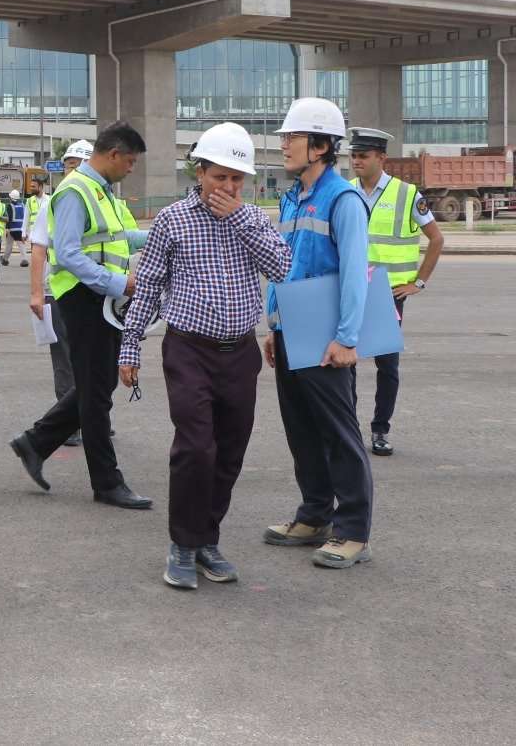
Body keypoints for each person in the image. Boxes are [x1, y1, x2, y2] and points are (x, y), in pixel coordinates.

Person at [117, 124, 292, 590]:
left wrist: (239, 217)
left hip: (240, 355)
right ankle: (182, 543)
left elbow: (282, 267)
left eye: (237, 179)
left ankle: (207, 539)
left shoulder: (252, 219)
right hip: (189, 350)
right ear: (200, 173)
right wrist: (130, 343)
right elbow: (150, 284)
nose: (229, 188)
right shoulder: (173, 220)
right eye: (221, 177)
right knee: (196, 447)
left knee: (230, 451)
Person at [9, 122, 152, 509]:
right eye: (131, 161)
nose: (132, 169)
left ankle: (35, 442)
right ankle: (107, 482)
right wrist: (118, 283)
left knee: (99, 384)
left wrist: (168, 232)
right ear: (113, 154)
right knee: (96, 394)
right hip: (84, 299)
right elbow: (69, 253)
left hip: (101, 301)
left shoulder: (104, 193)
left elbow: (123, 237)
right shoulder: (75, 191)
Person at [262, 98, 375, 569]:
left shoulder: (342, 199)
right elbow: (284, 265)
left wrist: (347, 338)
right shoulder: (292, 197)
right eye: (285, 136)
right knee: (302, 430)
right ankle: (313, 515)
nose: (284, 144)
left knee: (339, 434)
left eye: (294, 136)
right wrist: (273, 323)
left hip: (327, 336)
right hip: (292, 330)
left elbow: (354, 273)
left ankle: (352, 531)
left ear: (323, 145)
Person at [348, 127, 443, 456]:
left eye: (363, 155)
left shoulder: (407, 195)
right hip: (352, 293)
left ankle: (380, 430)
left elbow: (437, 239)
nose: (357, 161)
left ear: (381, 158)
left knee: (386, 366)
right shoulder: (346, 192)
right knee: (345, 364)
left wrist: (417, 282)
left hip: (389, 295)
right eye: (354, 155)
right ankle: (348, 431)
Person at [27, 141, 91, 441]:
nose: (74, 170)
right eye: (70, 165)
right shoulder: (52, 203)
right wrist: (37, 293)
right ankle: (69, 424)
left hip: (96, 296)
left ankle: (91, 415)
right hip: (61, 293)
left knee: (94, 361)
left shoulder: (102, 201)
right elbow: (38, 249)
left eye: (80, 164)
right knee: (65, 361)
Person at [4, 188, 26, 267]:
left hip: (12, 228)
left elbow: (8, 218)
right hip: (21, 228)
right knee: (21, 244)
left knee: (9, 244)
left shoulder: (10, 206)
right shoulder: (23, 205)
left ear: (11, 197)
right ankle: (24, 259)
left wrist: (7, 229)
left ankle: (5, 260)